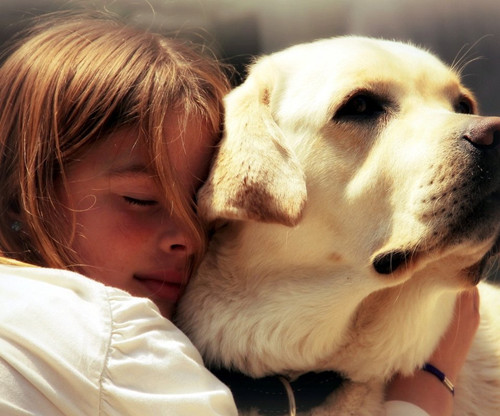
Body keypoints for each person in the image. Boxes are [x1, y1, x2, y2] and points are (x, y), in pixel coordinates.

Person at [0, 11, 479, 416]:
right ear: (19, 198)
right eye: (141, 200)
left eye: (200, 202)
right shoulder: (107, 336)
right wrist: (430, 385)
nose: (191, 236)